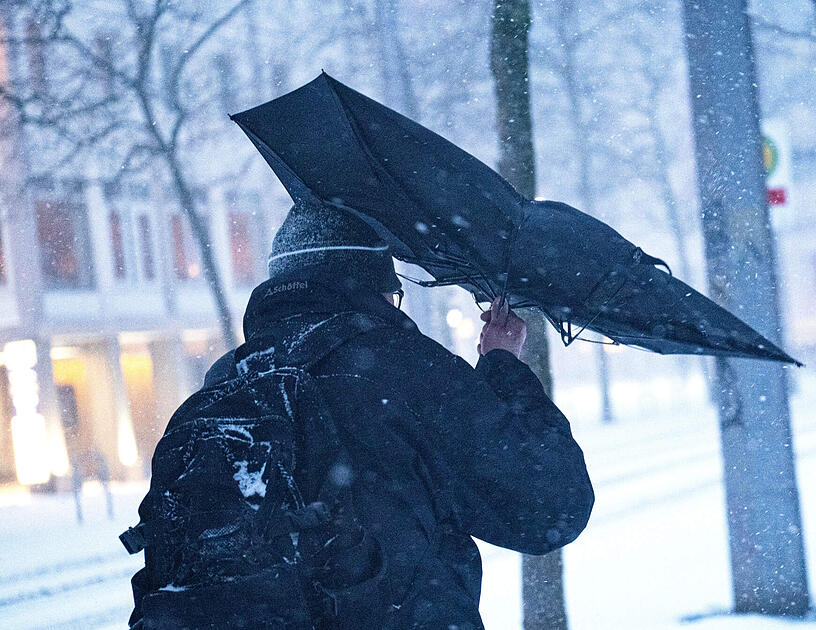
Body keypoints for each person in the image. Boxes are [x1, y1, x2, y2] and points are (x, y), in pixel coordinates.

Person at [130, 201, 593, 629]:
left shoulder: (223, 385)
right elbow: (551, 504)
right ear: (372, 288)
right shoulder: (403, 367)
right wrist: (503, 367)